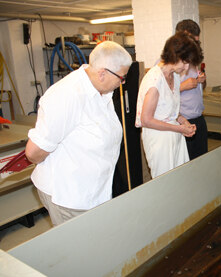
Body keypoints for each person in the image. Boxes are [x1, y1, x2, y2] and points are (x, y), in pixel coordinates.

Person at [25, 41, 132, 226]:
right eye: (122, 78)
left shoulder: (101, 91)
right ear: (102, 73)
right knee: (79, 249)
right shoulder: (66, 96)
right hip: (69, 195)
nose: (122, 83)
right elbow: (33, 153)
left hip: (93, 190)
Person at [135, 32, 203, 178]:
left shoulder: (175, 76)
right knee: (164, 182)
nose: (186, 68)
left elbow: (169, 110)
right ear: (174, 56)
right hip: (159, 140)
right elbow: (146, 120)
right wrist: (178, 128)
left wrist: (184, 122)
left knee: (180, 178)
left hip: (175, 135)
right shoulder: (154, 81)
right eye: (184, 62)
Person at [175, 19, 208, 160]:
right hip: (183, 121)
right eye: (192, 41)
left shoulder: (194, 59)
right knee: (186, 163)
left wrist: (202, 80)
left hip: (199, 119)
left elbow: (200, 88)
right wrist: (183, 86)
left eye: (197, 42)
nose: (195, 45)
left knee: (201, 161)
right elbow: (161, 95)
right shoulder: (167, 62)